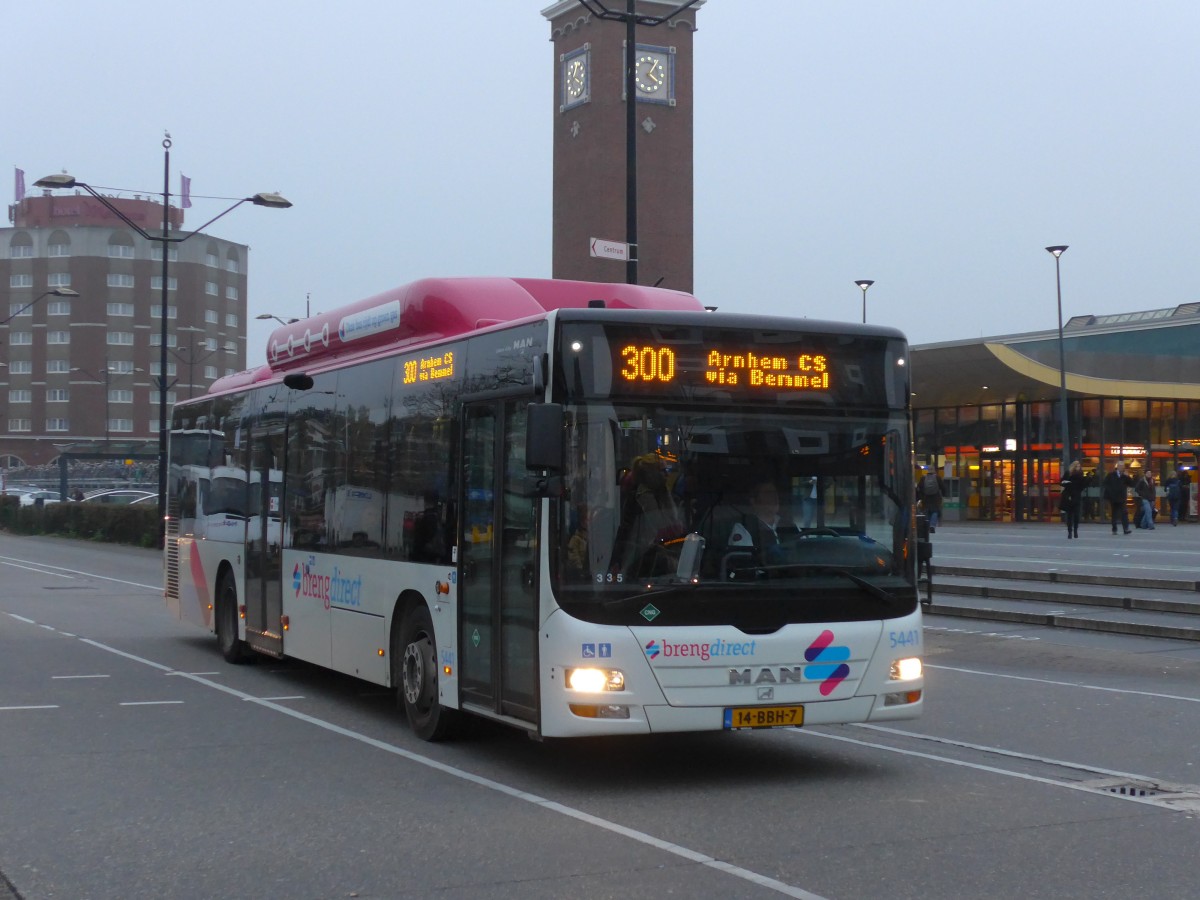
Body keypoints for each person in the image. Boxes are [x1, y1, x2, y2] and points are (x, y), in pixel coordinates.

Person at [1101, 462, 1133, 535]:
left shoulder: (1125, 476)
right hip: (1113, 498)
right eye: (1120, 466)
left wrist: (1128, 476)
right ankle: (1114, 528)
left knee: (1124, 513)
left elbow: (1131, 484)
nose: (1122, 467)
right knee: (1114, 513)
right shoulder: (1111, 475)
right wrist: (1110, 492)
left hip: (1122, 498)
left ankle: (1126, 528)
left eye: (1123, 466)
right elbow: (1105, 483)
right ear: (1117, 467)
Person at [1059, 460, 1086, 539]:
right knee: (1069, 515)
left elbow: (1082, 486)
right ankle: (1070, 531)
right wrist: (1067, 482)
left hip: (1077, 496)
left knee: (1076, 515)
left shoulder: (1080, 475)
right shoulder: (1068, 473)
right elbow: (1062, 482)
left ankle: (1075, 530)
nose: (1078, 468)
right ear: (1074, 466)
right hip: (1069, 496)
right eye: (1077, 466)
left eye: (1079, 466)